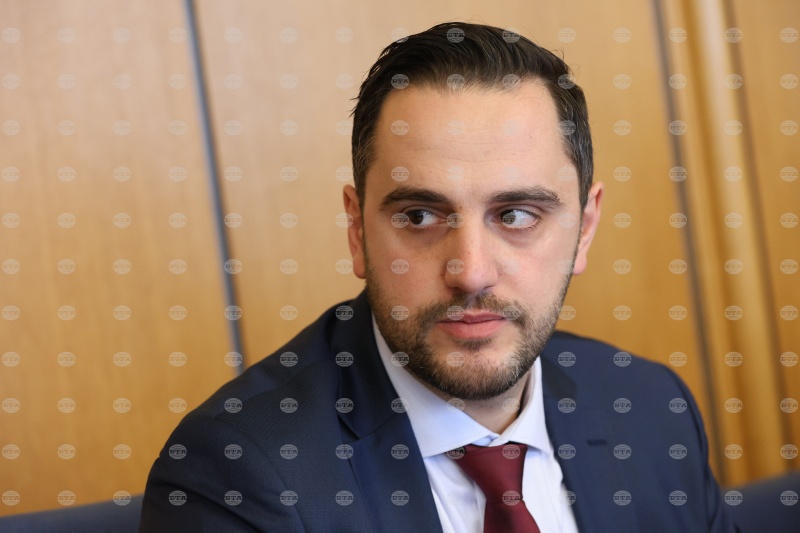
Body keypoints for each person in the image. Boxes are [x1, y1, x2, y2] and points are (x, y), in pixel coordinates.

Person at [140, 22, 735, 532]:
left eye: (516, 215)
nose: (470, 272)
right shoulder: (238, 472)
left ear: (584, 228)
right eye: (420, 216)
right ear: (357, 230)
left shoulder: (651, 409)